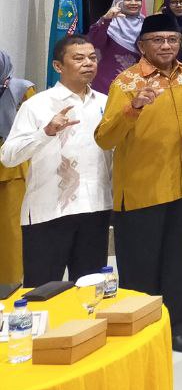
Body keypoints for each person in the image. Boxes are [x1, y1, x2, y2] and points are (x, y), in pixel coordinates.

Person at [94, 13, 182, 352]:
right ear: (142, 45)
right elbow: (104, 138)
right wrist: (134, 107)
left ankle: (175, 329)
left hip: (181, 189)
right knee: (140, 270)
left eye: (172, 39)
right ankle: (140, 338)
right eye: (158, 40)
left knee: (175, 264)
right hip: (140, 192)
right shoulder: (125, 83)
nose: (167, 46)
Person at [1, 37, 110, 286]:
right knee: (41, 291)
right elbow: (8, 156)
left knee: (90, 292)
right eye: (78, 58)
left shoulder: (106, 103)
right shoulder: (36, 105)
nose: (88, 63)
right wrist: (45, 133)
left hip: (95, 207)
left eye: (92, 58)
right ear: (58, 66)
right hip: (48, 212)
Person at [0, 51, 36, 285]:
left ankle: (9, 285)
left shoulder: (22, 89)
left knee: (10, 231)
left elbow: (34, 126)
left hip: (11, 165)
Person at [87, 0, 144, 94]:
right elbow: (94, 43)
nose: (133, 3)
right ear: (119, 0)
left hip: (135, 86)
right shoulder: (108, 22)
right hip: (105, 85)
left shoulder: (146, 24)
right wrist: (106, 20)